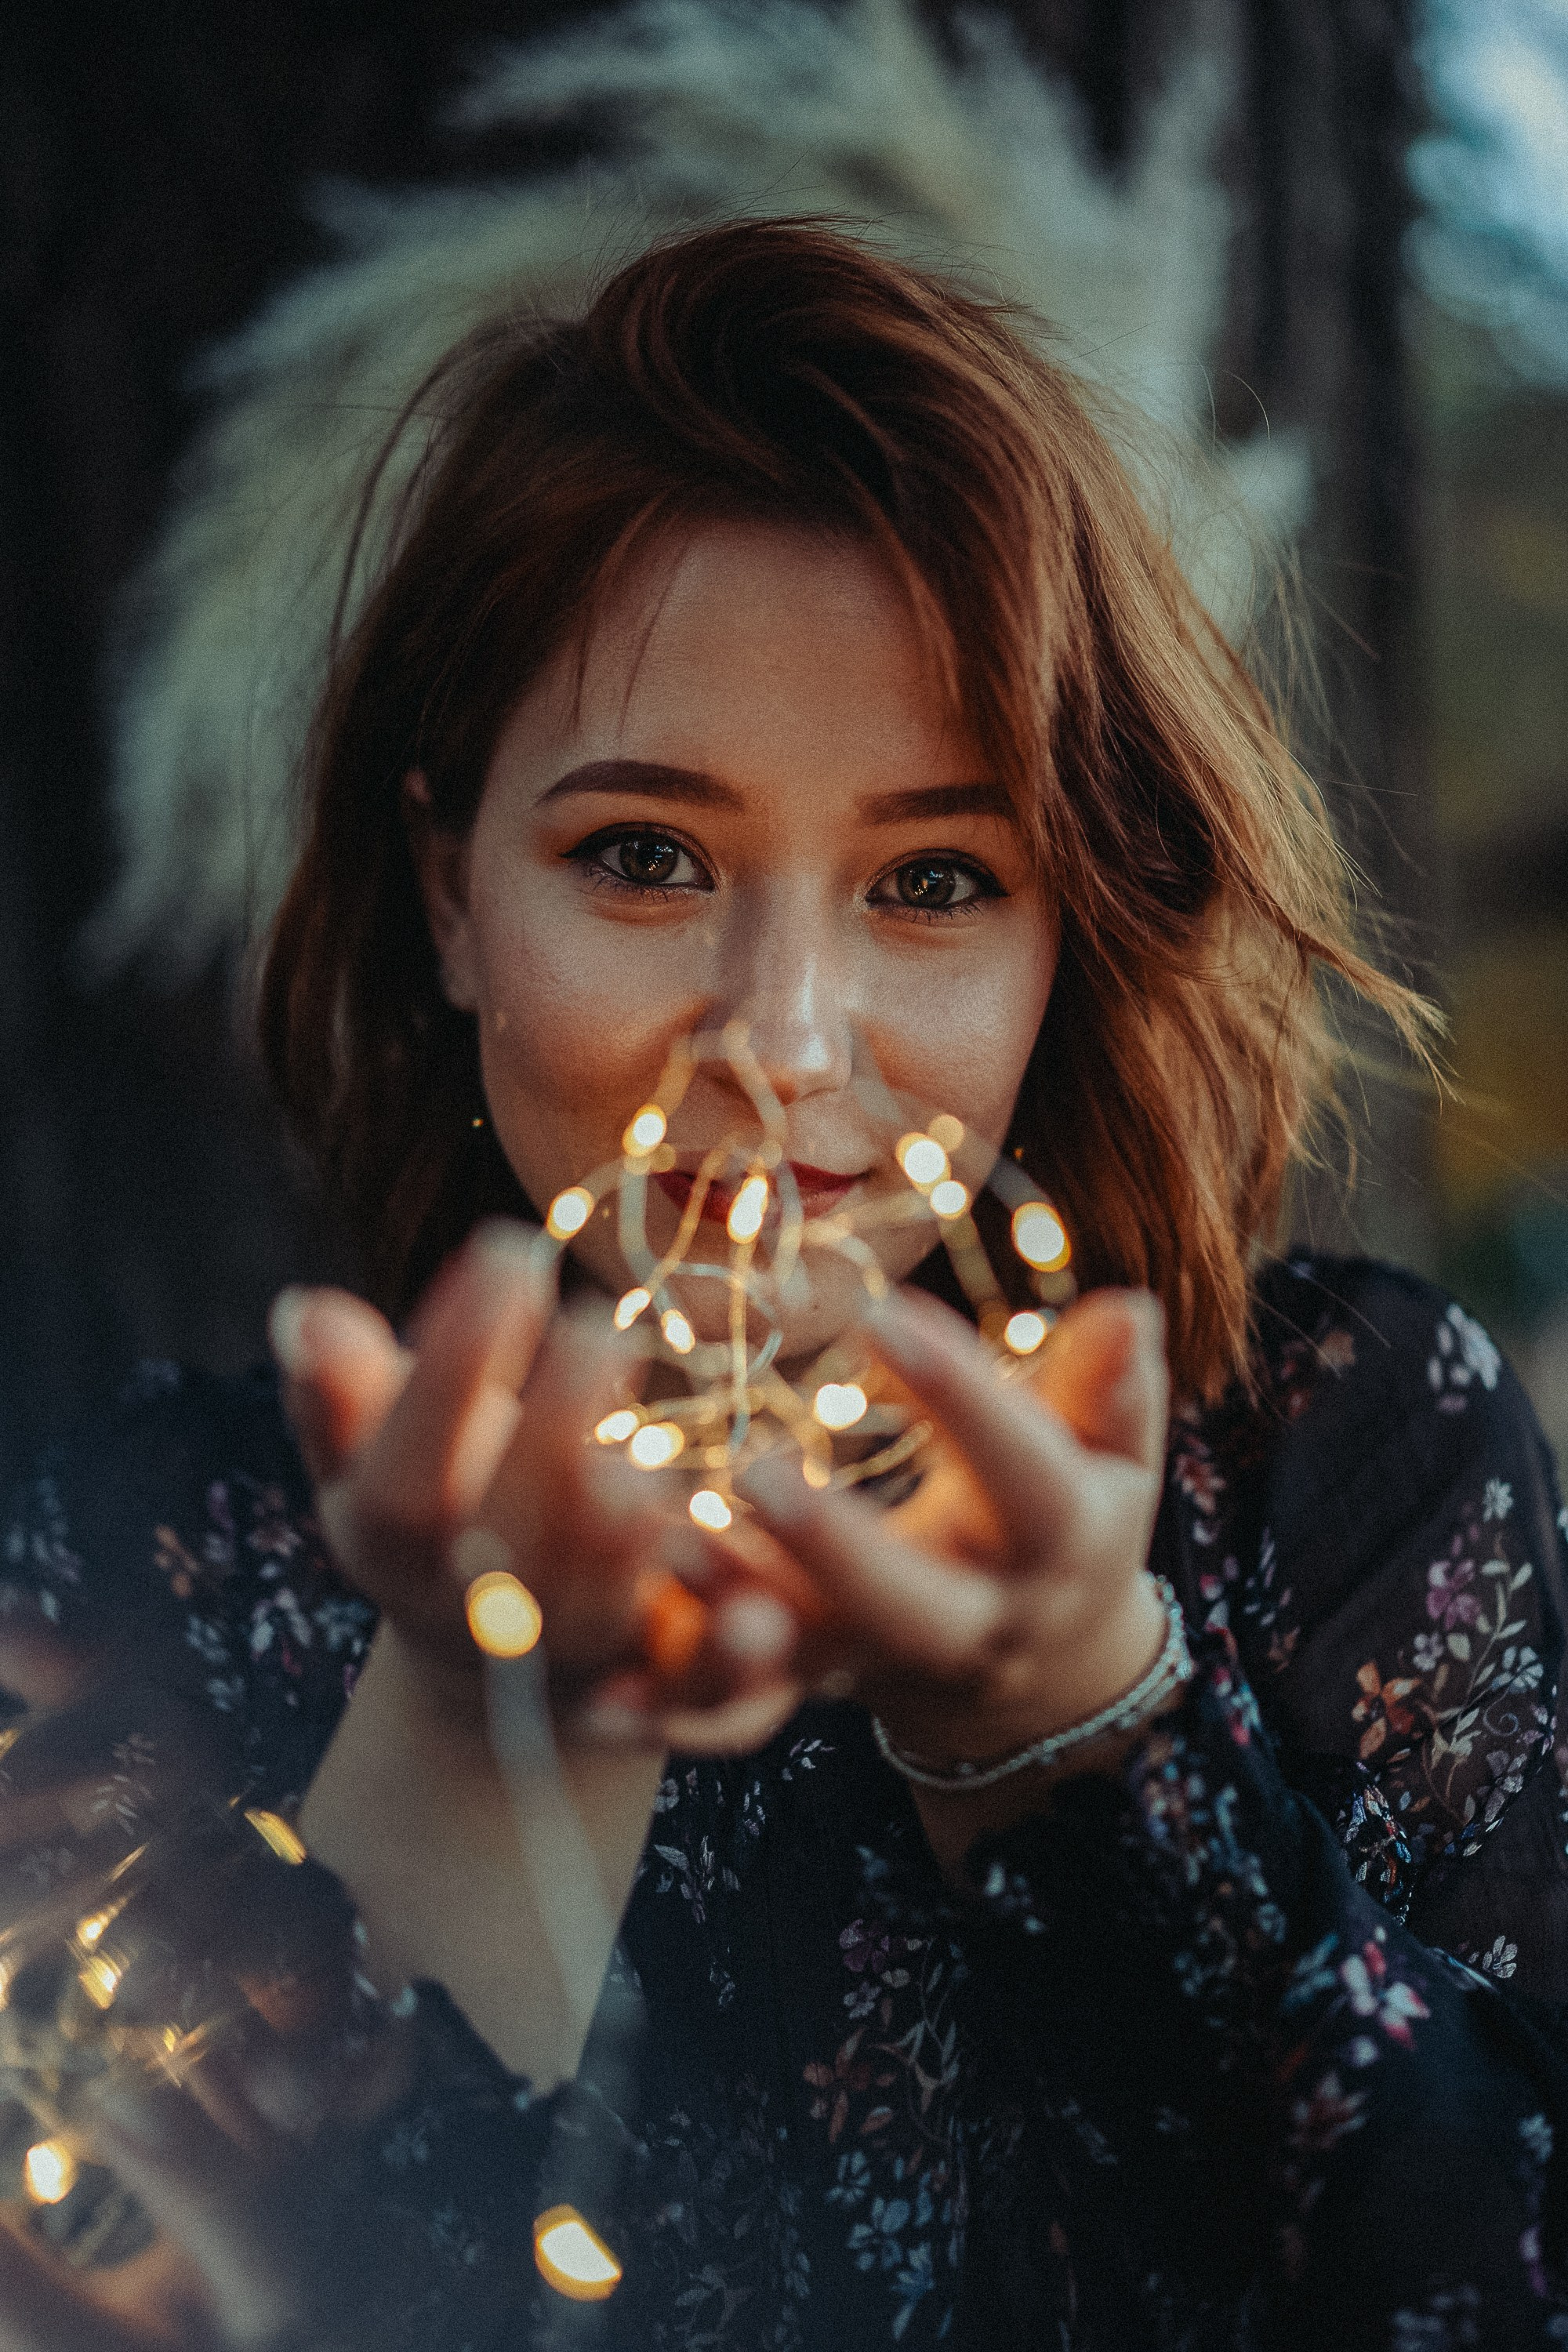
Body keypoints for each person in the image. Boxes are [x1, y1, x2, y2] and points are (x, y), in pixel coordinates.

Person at [3, 218, 1567, 2350]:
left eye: (934, 880)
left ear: (1068, 930)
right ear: (452, 887)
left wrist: (1071, 1723)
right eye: (644, 856)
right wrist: (480, 1725)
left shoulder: (1342, 1463)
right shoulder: (160, 1558)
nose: (789, 1037)